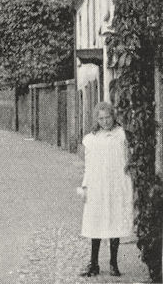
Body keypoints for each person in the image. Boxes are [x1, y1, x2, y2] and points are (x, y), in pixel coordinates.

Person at [78, 101, 134, 277]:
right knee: (96, 222)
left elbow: (128, 161)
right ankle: (93, 263)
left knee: (114, 221)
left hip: (116, 184)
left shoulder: (122, 135)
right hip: (97, 186)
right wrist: (85, 186)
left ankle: (113, 263)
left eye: (107, 117)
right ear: (97, 119)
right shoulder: (91, 139)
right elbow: (88, 165)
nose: (105, 121)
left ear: (113, 116)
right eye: (101, 118)